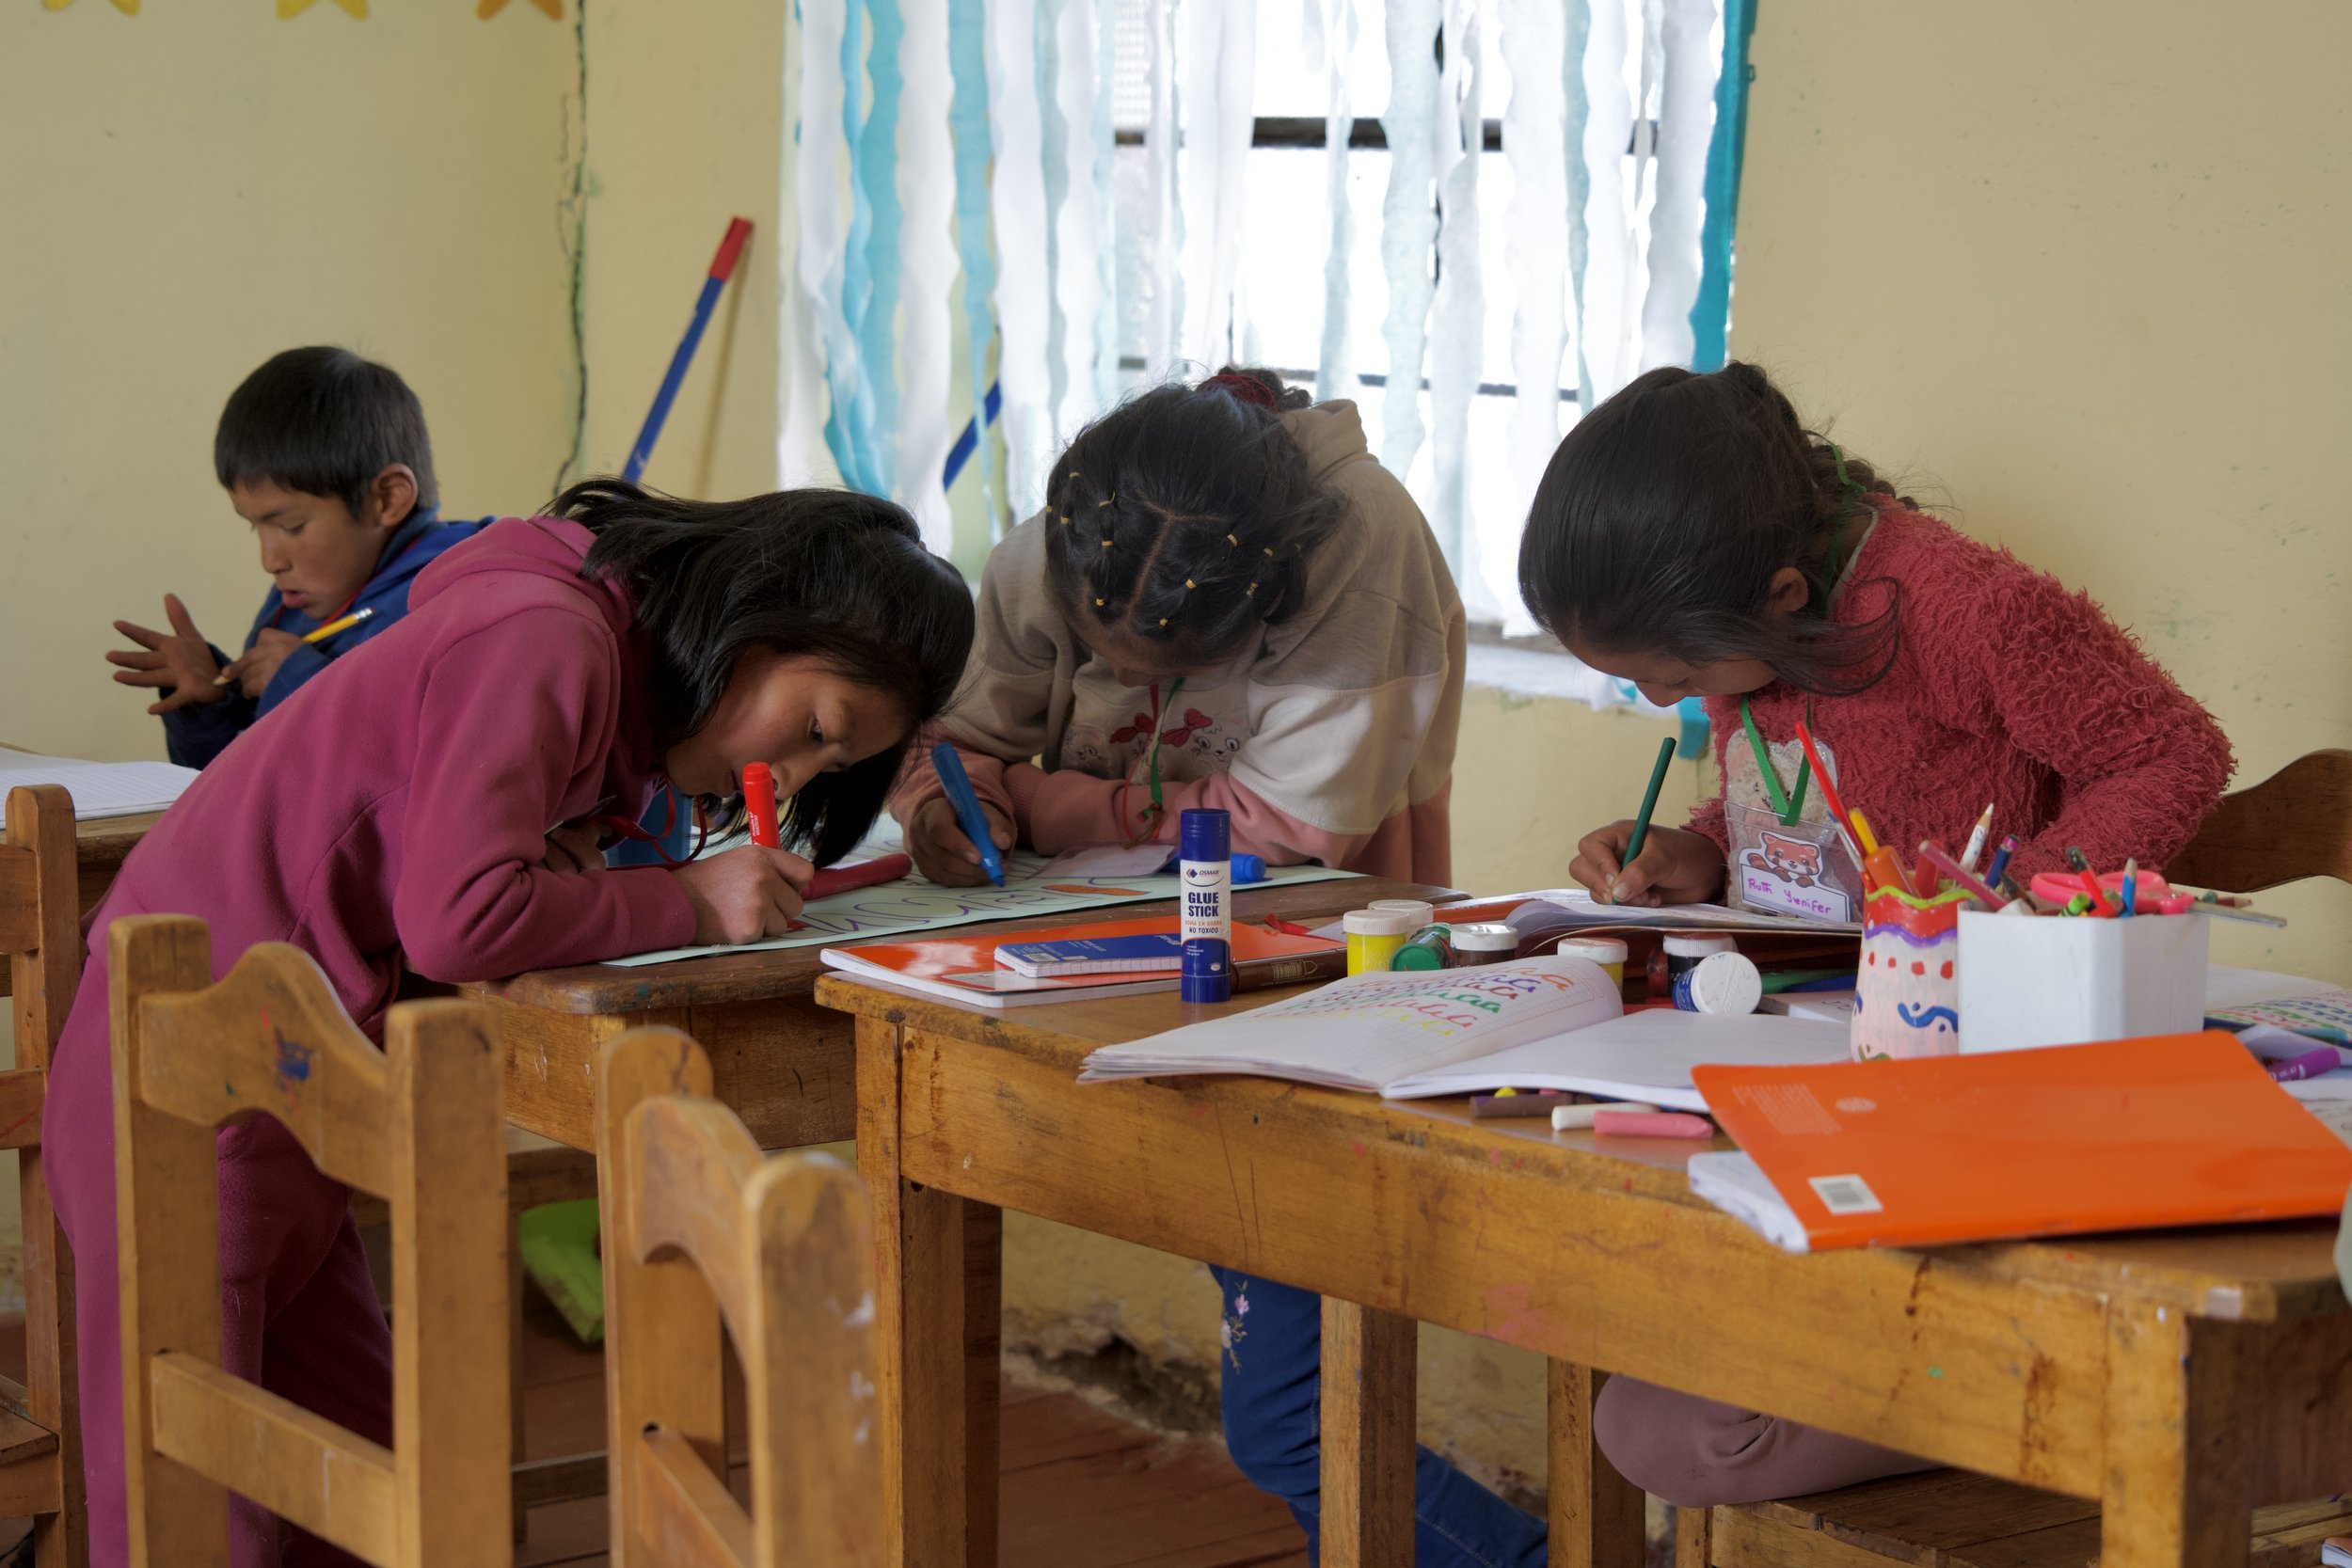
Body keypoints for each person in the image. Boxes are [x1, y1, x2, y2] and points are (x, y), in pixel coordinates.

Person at [51, 478, 974, 1566]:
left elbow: (436, 869)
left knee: (368, 1484)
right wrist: (685, 899)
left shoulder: (582, 641)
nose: (795, 771)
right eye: (818, 728)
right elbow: (456, 919)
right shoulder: (550, 636)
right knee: (194, 1511)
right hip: (183, 1082)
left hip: (287, 1078)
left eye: (834, 765)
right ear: (757, 615)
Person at [1522, 360, 2232, 1510]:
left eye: (1673, 676)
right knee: (1641, 1336)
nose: (1666, 705)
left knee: (1673, 1416)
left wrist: (2014, 908)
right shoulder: (1742, 614)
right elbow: (1801, 794)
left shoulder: (1960, 607)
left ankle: (2058, 1406)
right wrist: (1700, 847)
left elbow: (2171, 750)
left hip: (1988, 1073)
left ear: (1786, 593)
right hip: (1835, 1047)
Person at [104, 346, 487, 768]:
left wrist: (298, 684)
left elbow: (420, 779)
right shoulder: (294, 606)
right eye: (256, 527)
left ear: (387, 498)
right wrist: (209, 706)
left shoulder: (458, 606)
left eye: (290, 527)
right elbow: (234, 788)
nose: (270, 561)